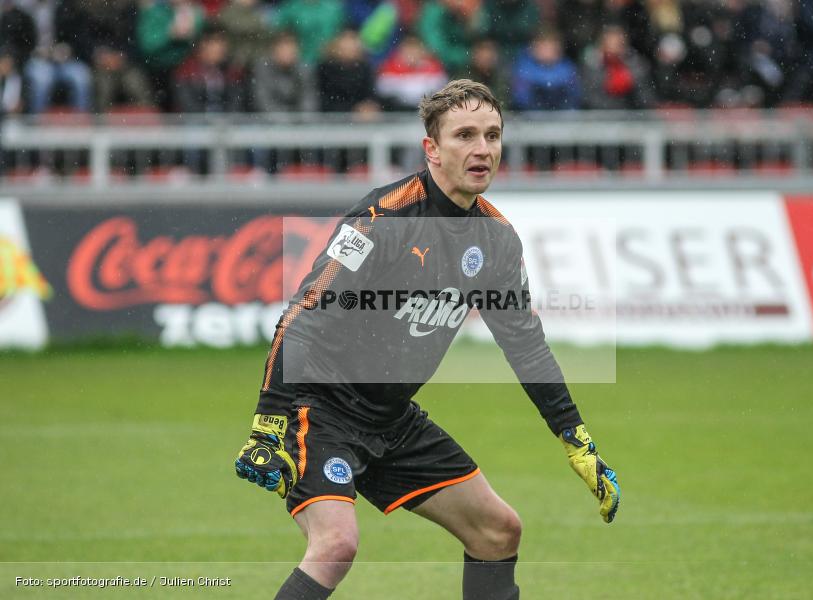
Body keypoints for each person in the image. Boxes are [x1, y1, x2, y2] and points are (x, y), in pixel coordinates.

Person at [233, 79, 621, 600]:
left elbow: (525, 344)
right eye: (465, 135)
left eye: (492, 135)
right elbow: (303, 316)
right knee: (336, 546)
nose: (482, 149)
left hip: (392, 420)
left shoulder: (498, 240)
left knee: (498, 531)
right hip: (321, 410)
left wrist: (575, 437)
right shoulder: (382, 218)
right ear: (432, 149)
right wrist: (268, 422)